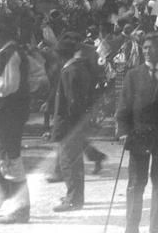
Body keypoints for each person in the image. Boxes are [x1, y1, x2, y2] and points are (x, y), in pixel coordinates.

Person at [117, 32, 158, 233]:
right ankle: (131, 229)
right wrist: (123, 131)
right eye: (144, 47)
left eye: (151, 48)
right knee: (136, 184)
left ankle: (156, 230)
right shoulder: (133, 75)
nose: (146, 51)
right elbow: (123, 107)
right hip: (139, 137)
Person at [0, 16, 31, 224]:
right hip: (3, 112)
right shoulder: (4, 52)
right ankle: (10, 201)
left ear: (0, 33)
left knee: (11, 159)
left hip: (10, 112)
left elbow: (7, 87)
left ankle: (20, 209)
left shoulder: (11, 54)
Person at [51, 33, 94, 212]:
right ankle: (75, 195)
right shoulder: (79, 68)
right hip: (77, 123)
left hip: (69, 124)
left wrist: (66, 125)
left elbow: (72, 102)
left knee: (68, 162)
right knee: (74, 161)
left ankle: (73, 199)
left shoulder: (69, 71)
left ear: (61, 56)